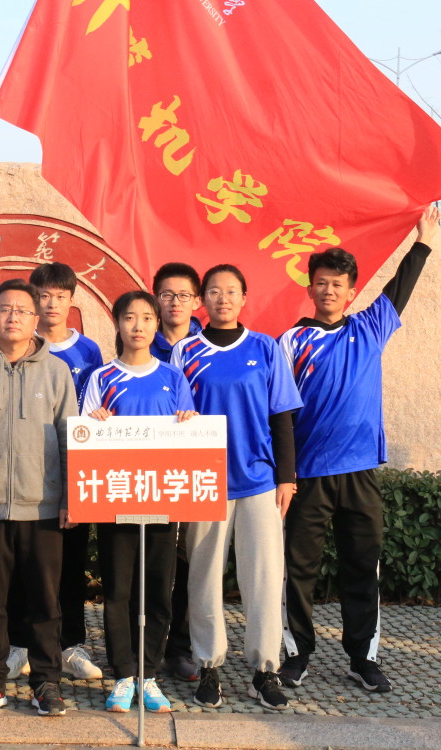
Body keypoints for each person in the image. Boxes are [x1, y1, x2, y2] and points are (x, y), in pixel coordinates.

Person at [280, 207, 441, 694]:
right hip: (308, 475)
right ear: (310, 288)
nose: (329, 290)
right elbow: (280, 415)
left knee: (361, 567)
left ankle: (362, 659)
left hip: (360, 473)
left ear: (352, 291)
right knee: (298, 571)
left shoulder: (370, 328)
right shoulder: (290, 341)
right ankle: (296, 655)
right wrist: (283, 472)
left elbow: (400, 286)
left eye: (338, 284)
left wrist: (423, 241)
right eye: (321, 283)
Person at [170, 265, 301, 711]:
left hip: (259, 480)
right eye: (213, 291)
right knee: (204, 577)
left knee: (264, 577)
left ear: (245, 298)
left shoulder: (265, 348)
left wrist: (287, 477)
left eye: (231, 291)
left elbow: (281, 417)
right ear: (201, 300)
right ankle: (208, 665)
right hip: (205, 482)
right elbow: (173, 417)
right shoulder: (185, 351)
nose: (222, 299)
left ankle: (265, 670)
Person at [0, 278, 78, 717]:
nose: (13, 317)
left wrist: (70, 498)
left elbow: (69, 438)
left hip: (42, 506)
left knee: (45, 602)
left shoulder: (56, 372)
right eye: (5, 309)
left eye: (22, 310)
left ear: (35, 318)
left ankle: (46, 683)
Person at [81, 291, 196, 713]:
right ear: (117, 323)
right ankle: (124, 674)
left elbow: (189, 439)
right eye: (130, 317)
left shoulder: (173, 377)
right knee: (118, 591)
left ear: (156, 324)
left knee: (158, 591)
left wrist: (189, 423)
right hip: (116, 501)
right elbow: (83, 440)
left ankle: (149, 674)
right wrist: (94, 423)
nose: (139, 326)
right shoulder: (102, 378)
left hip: (163, 500)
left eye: (147, 318)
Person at [28, 261, 105, 681]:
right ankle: (24, 644)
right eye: (44, 296)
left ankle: (72, 643)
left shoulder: (87, 351)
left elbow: (94, 406)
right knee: (30, 561)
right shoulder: (22, 343)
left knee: (71, 560)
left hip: (76, 464)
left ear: (72, 300)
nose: (51, 304)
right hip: (30, 466)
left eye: (60, 296)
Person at [149, 263, 205, 684]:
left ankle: (180, 647)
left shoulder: (208, 346)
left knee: (188, 561)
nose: (174, 302)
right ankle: (144, 647)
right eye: (166, 294)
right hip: (146, 469)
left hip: (195, 467)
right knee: (151, 561)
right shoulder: (138, 341)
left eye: (183, 295)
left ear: (196, 301)